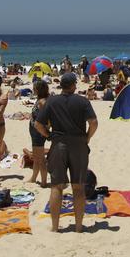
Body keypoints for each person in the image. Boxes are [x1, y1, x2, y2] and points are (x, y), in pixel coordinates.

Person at [33, 72, 99, 233]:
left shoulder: (52, 102)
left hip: (59, 144)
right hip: (78, 145)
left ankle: (55, 227)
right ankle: (78, 227)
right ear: (73, 86)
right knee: (78, 187)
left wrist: (48, 136)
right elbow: (94, 123)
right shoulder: (82, 101)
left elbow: (38, 125)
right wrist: (87, 138)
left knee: (56, 186)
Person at [28, 78, 50, 186]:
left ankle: (44, 181)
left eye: (34, 88)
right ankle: (33, 178)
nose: (33, 89)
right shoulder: (40, 99)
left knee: (40, 159)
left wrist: (46, 129)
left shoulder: (42, 102)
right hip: (34, 131)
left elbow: (48, 118)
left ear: (39, 90)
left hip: (38, 132)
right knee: (36, 157)